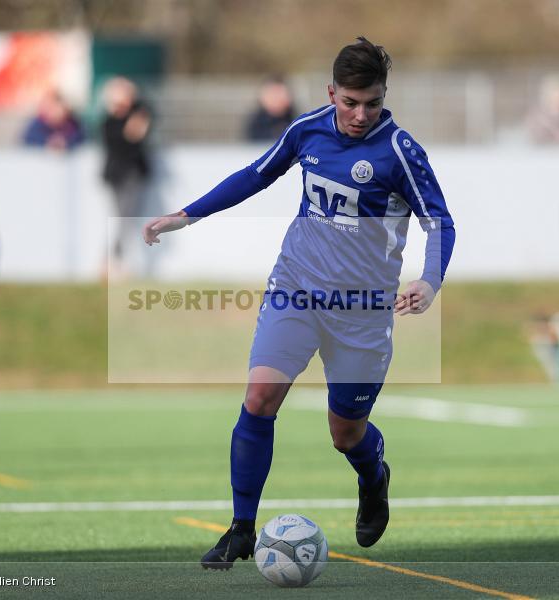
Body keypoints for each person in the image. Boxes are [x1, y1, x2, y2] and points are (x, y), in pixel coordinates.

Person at [142, 37, 455, 568]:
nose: (360, 114)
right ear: (331, 92)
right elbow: (255, 176)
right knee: (260, 397)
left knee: (345, 433)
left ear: (385, 96)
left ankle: (373, 474)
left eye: (372, 102)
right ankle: (242, 527)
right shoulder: (306, 129)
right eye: (350, 102)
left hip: (362, 311)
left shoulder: (400, 151)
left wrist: (428, 281)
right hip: (297, 288)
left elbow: (439, 221)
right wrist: (185, 215)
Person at [101, 77, 153, 272]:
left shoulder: (139, 113)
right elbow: (130, 135)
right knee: (123, 218)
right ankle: (112, 259)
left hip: (134, 173)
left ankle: (114, 259)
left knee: (126, 218)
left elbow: (141, 127)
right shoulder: (109, 122)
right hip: (119, 175)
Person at [245, 76, 297, 142]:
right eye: (272, 94)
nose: (276, 98)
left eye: (279, 93)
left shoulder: (297, 120)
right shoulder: (255, 123)